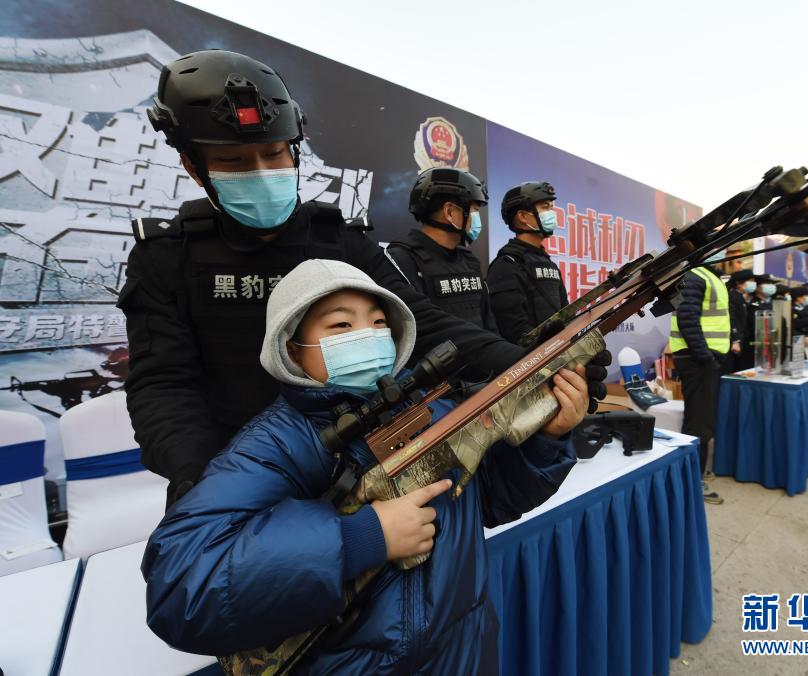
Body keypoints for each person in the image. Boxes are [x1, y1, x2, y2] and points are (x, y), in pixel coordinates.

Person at [119, 50, 527, 504]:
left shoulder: (340, 241)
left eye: (274, 154)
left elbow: (423, 323)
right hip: (241, 478)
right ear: (193, 167)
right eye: (234, 161)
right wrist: (201, 481)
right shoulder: (166, 255)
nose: (261, 173)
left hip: (367, 465)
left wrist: (524, 363)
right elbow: (165, 385)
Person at [141, 259, 589, 672]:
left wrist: (547, 439)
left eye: (379, 323)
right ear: (293, 349)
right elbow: (182, 587)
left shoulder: (430, 411)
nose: (368, 335)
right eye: (341, 324)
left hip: (462, 653)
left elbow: (489, 502)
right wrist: (363, 537)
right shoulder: (276, 442)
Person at [387, 168, 494, 330]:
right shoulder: (401, 259)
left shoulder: (470, 261)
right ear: (450, 212)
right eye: (474, 210)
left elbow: (489, 324)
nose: (477, 218)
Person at [669, 252, 730, 504]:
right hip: (698, 361)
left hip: (703, 360)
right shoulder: (695, 276)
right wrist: (705, 357)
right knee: (699, 424)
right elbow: (687, 319)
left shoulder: (706, 276)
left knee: (702, 420)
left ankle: (695, 474)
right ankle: (693, 482)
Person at [487, 182, 568, 345]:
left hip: (557, 352)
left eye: (551, 208)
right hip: (530, 363)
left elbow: (566, 316)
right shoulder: (506, 265)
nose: (551, 214)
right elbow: (514, 332)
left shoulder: (548, 263)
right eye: (545, 208)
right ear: (523, 217)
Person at [736, 274, 776, 371]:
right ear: (757, 287)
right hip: (754, 347)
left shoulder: (772, 304)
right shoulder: (752, 304)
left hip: (769, 346)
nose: (770, 285)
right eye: (767, 283)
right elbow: (754, 327)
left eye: (771, 283)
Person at [725, 269, 754, 372]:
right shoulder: (732, 296)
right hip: (733, 343)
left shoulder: (739, 296)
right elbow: (731, 318)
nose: (753, 284)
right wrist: (735, 340)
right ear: (738, 283)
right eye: (749, 281)